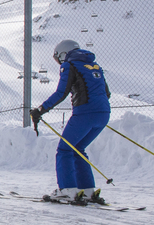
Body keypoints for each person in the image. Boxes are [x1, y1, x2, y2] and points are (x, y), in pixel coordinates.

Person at [30, 39, 111, 204]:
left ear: (63, 54)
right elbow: (106, 93)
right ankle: (87, 191)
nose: (59, 62)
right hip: (103, 114)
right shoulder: (94, 66)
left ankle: (67, 190)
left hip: (84, 114)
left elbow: (61, 92)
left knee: (65, 150)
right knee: (78, 148)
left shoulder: (70, 65)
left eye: (58, 58)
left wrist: (40, 110)